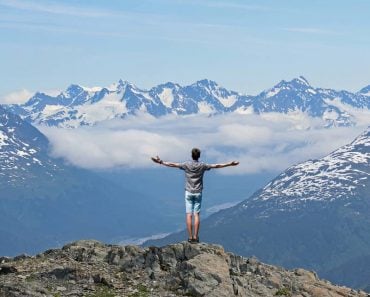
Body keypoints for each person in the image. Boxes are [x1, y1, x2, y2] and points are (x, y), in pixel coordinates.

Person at [151, 148, 239, 243]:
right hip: (198, 192)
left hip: (188, 192)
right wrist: (230, 164)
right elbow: (216, 166)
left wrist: (161, 162)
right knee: (196, 215)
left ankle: (190, 237)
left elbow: (173, 164)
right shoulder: (202, 165)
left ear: (191, 155)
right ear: (199, 156)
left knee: (189, 215)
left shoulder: (186, 164)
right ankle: (196, 237)